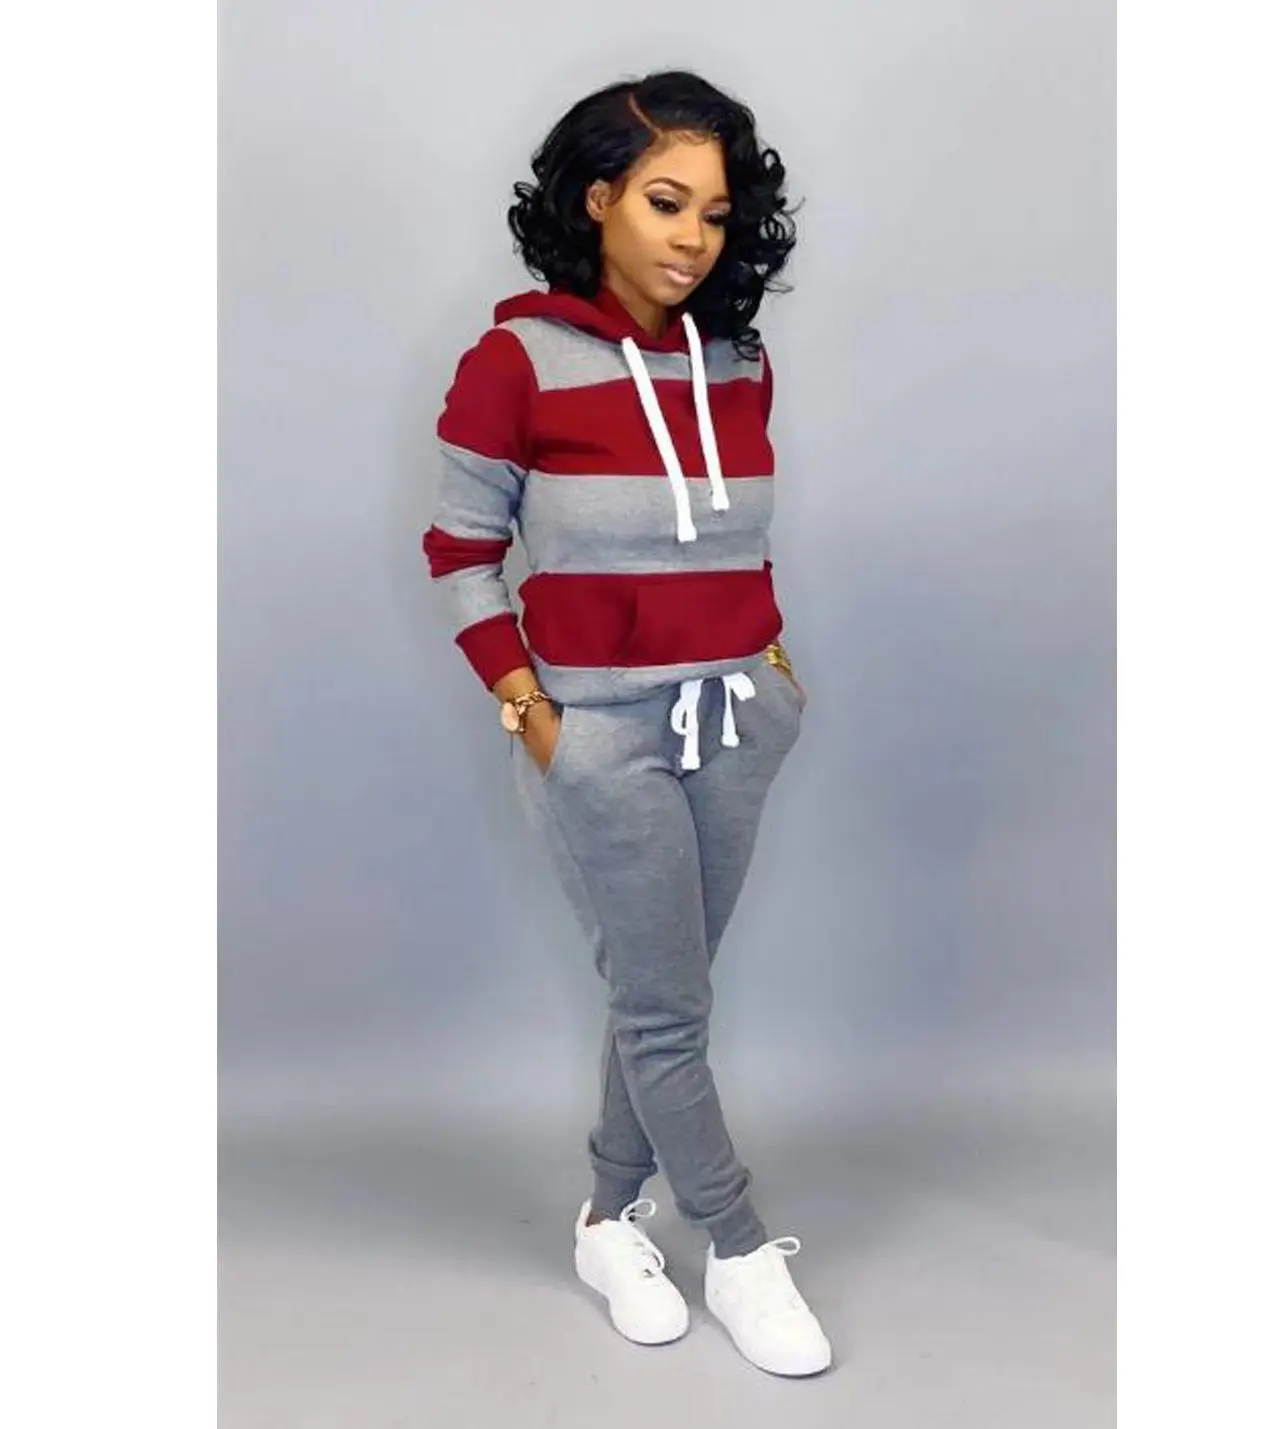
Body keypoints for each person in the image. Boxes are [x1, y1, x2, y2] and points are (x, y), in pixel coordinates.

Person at [422, 69, 831, 1378]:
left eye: (714, 211)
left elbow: (734, 539)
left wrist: (771, 661)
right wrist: (531, 708)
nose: (693, 236)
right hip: (598, 732)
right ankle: (739, 1246)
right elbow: (460, 551)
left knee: (669, 995)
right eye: (665, 201)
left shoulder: (739, 361)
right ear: (597, 199)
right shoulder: (513, 363)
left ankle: (607, 1219)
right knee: (665, 1009)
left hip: (736, 721)